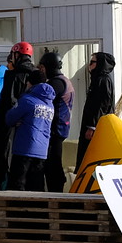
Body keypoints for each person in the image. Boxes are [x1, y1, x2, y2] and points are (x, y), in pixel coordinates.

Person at [0, 41, 38, 188]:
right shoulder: (35, 74)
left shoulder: (15, 75)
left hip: (10, 124)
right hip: (30, 125)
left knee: (3, 158)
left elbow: (9, 101)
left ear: (17, 54)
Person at [2, 74, 55, 191]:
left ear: (31, 84)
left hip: (25, 148)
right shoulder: (50, 104)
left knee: (17, 185)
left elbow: (10, 118)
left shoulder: (27, 100)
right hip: (42, 150)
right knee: (37, 186)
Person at [74, 51, 117, 173]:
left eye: (92, 62)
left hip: (95, 127)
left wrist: (92, 126)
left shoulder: (103, 80)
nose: (89, 65)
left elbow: (101, 104)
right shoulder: (98, 79)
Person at [38, 52, 74, 192]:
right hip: (60, 127)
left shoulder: (56, 83)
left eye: (42, 67)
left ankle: (56, 193)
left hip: (54, 129)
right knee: (54, 164)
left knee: (52, 166)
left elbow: (42, 98)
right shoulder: (64, 80)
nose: (41, 70)